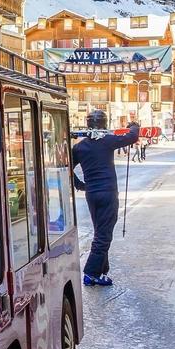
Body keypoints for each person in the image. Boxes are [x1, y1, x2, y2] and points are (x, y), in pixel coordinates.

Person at [72, 109, 139, 287]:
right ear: (104, 124)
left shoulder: (79, 147)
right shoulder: (108, 141)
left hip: (91, 194)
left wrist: (80, 184)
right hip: (108, 193)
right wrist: (133, 125)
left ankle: (102, 271)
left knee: (100, 231)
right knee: (104, 235)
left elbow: (65, 168)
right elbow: (132, 137)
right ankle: (91, 273)